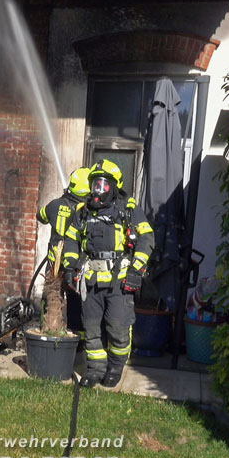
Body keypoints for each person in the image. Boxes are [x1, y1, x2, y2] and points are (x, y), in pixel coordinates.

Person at [63, 159, 154, 388]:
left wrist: (136, 270)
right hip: (91, 281)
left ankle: (115, 367)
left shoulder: (128, 208)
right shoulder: (82, 212)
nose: (98, 190)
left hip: (119, 282)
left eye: (103, 186)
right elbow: (72, 240)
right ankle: (95, 369)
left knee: (117, 326)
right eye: (95, 185)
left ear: (113, 187)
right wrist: (70, 267)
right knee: (91, 327)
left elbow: (146, 237)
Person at [36, 167, 91, 333]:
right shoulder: (86, 210)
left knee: (51, 296)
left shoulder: (55, 204)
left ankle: (46, 329)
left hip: (54, 264)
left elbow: (41, 216)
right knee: (76, 299)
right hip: (74, 263)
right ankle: (77, 336)